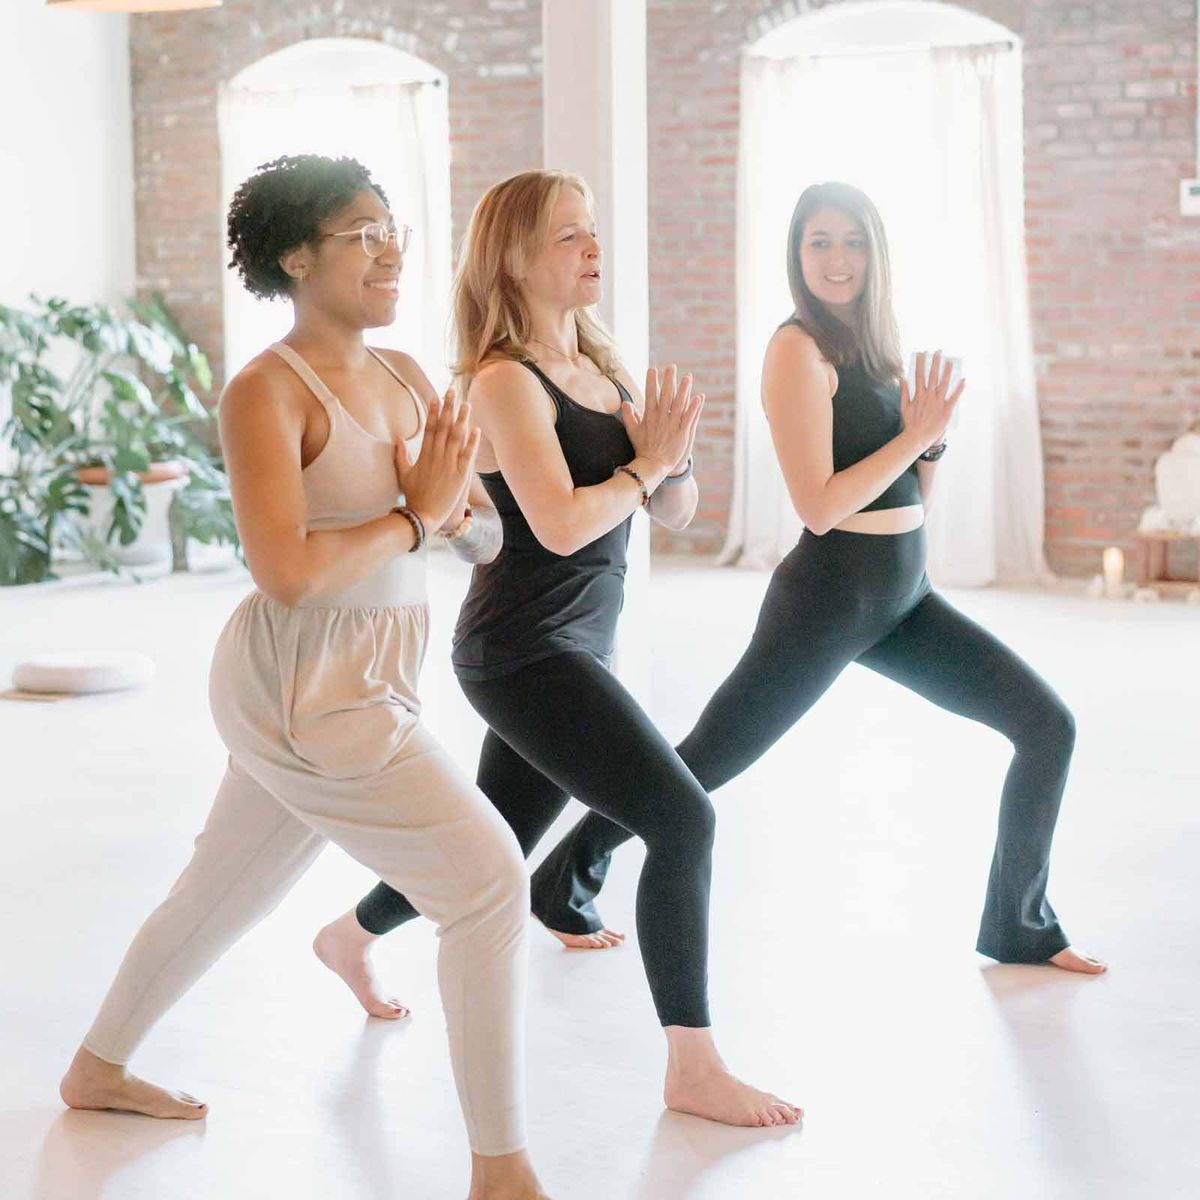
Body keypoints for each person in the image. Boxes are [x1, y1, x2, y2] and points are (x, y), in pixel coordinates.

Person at [59, 154, 551, 1200]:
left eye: (392, 229)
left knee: (224, 885)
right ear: (296, 256)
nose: (390, 251)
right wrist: (419, 513)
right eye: (361, 233)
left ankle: (96, 1069)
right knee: (489, 881)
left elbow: (489, 537)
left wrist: (449, 513)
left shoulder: (412, 377)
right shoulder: (267, 392)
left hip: (378, 666)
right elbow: (284, 572)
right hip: (299, 680)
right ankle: (501, 1174)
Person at [470, 179, 1107, 978]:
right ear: (796, 257)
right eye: (819, 243)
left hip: (904, 595)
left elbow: (912, 499)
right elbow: (820, 506)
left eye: (851, 242)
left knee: (1047, 726)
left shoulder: (877, 349)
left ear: (876, 253)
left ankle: (1021, 925)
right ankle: (567, 876)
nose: (836, 259)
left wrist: (931, 447)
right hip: (830, 598)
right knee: (704, 763)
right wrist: (915, 437)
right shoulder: (794, 348)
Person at [316, 169, 802, 1128]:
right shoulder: (503, 379)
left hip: (582, 641)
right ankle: (693, 1067)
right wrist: (646, 462)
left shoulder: (607, 363)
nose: (591, 251)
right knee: (685, 820)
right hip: (523, 652)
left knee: (492, 844)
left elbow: (678, 508)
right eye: (568, 236)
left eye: (591, 233)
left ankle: (347, 934)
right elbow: (564, 523)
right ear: (514, 259)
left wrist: (664, 460)